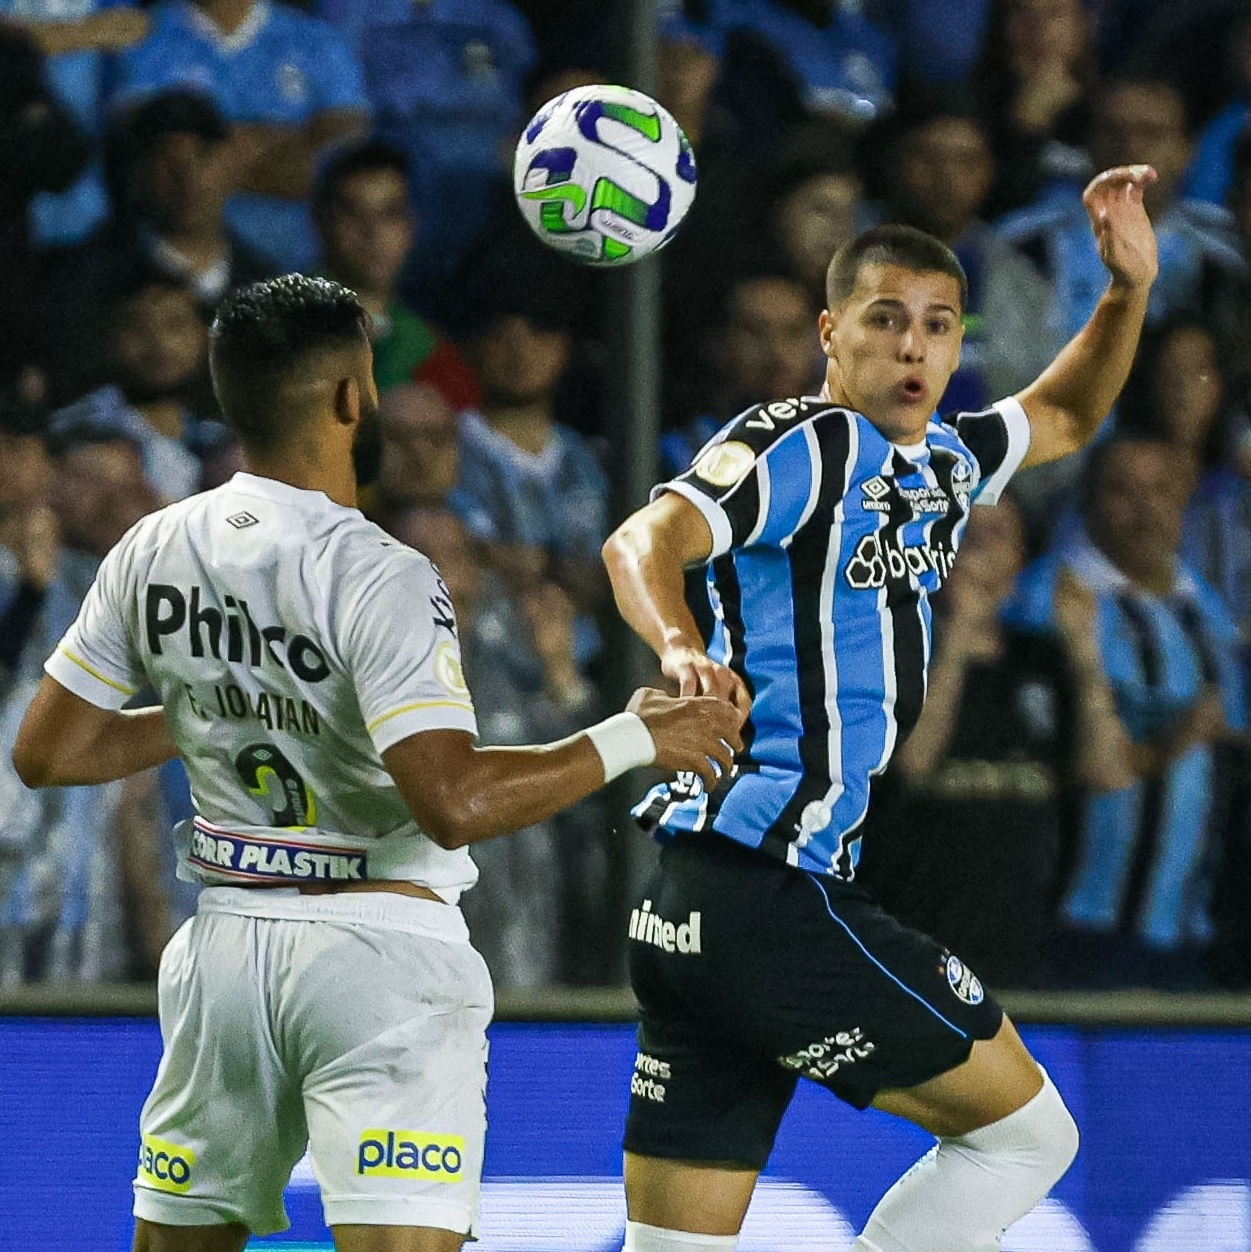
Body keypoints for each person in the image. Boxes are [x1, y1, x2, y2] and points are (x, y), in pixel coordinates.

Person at [9, 274, 743, 1250]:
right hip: (377, 953)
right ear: (356, 399)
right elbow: (451, 800)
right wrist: (633, 738)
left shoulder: (155, 546)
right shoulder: (384, 574)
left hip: (223, 951)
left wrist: (211, 705)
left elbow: (47, 751)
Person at [599, 164, 1158, 1252]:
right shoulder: (805, 443)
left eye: (939, 326)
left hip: (689, 909)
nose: (914, 347)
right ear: (830, 332)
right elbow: (641, 540)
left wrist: (1126, 290)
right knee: (1026, 1139)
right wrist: (676, 643)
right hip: (768, 892)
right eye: (886, 319)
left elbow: (1066, 412)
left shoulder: (939, 462)